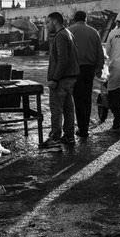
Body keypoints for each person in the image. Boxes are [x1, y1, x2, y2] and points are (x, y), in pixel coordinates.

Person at [40, 12, 80, 147]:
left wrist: (55, 79)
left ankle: (55, 137)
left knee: (56, 108)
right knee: (68, 108)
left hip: (62, 79)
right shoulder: (68, 34)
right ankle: (69, 135)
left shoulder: (61, 36)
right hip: (70, 77)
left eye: (49, 22)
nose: (47, 25)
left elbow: (62, 60)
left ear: (56, 21)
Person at [68, 10, 105, 137]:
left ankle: (82, 127)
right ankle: (85, 126)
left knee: (77, 97)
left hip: (75, 68)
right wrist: (99, 68)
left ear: (74, 19)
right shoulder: (94, 32)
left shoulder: (69, 31)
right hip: (90, 68)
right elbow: (100, 52)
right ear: (86, 19)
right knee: (87, 97)